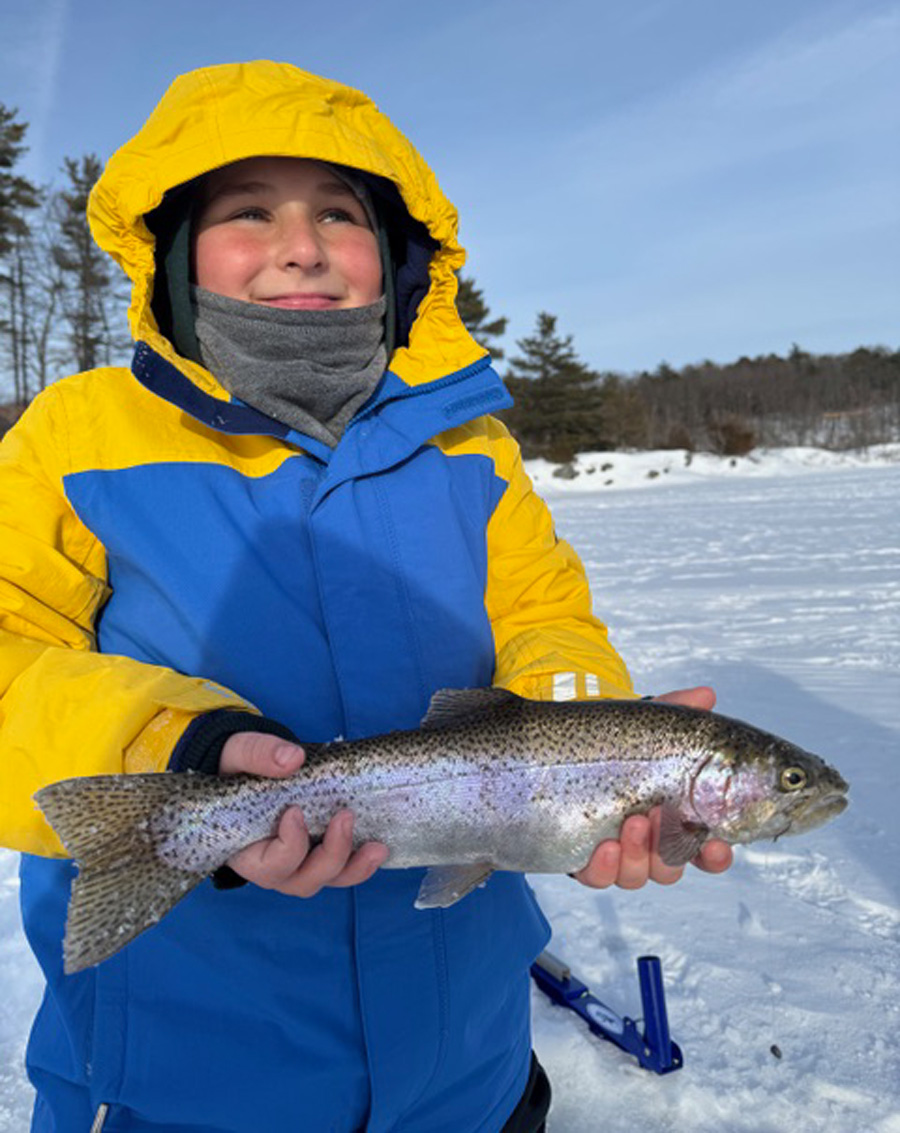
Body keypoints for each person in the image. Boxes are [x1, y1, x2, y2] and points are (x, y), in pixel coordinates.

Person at [0, 61, 731, 1132]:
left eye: (340, 214)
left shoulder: (470, 443)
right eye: (250, 211)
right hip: (181, 1074)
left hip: (465, 1063)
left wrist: (590, 754)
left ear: (396, 255)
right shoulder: (77, 436)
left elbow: (545, 617)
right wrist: (181, 749)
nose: (302, 245)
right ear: (172, 252)